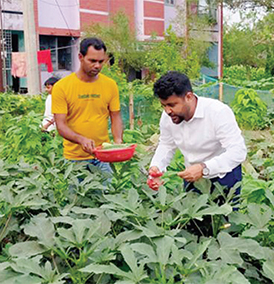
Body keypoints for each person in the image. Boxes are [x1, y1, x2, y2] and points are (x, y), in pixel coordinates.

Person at [147, 71, 247, 209]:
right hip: (192, 177)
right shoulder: (168, 117)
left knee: (226, 225)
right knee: (194, 226)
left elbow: (238, 151)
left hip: (224, 175)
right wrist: (156, 167)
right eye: (164, 105)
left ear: (189, 97)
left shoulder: (218, 112)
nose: (168, 111)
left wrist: (204, 168)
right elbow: (166, 145)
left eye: (172, 104)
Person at [52, 37, 123, 177]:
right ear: (80, 57)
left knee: (106, 196)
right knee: (76, 198)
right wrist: (81, 139)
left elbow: (116, 117)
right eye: (92, 61)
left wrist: (118, 141)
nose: (97, 66)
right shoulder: (62, 87)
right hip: (74, 159)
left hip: (103, 156)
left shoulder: (110, 85)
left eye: (101, 61)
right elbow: (60, 125)